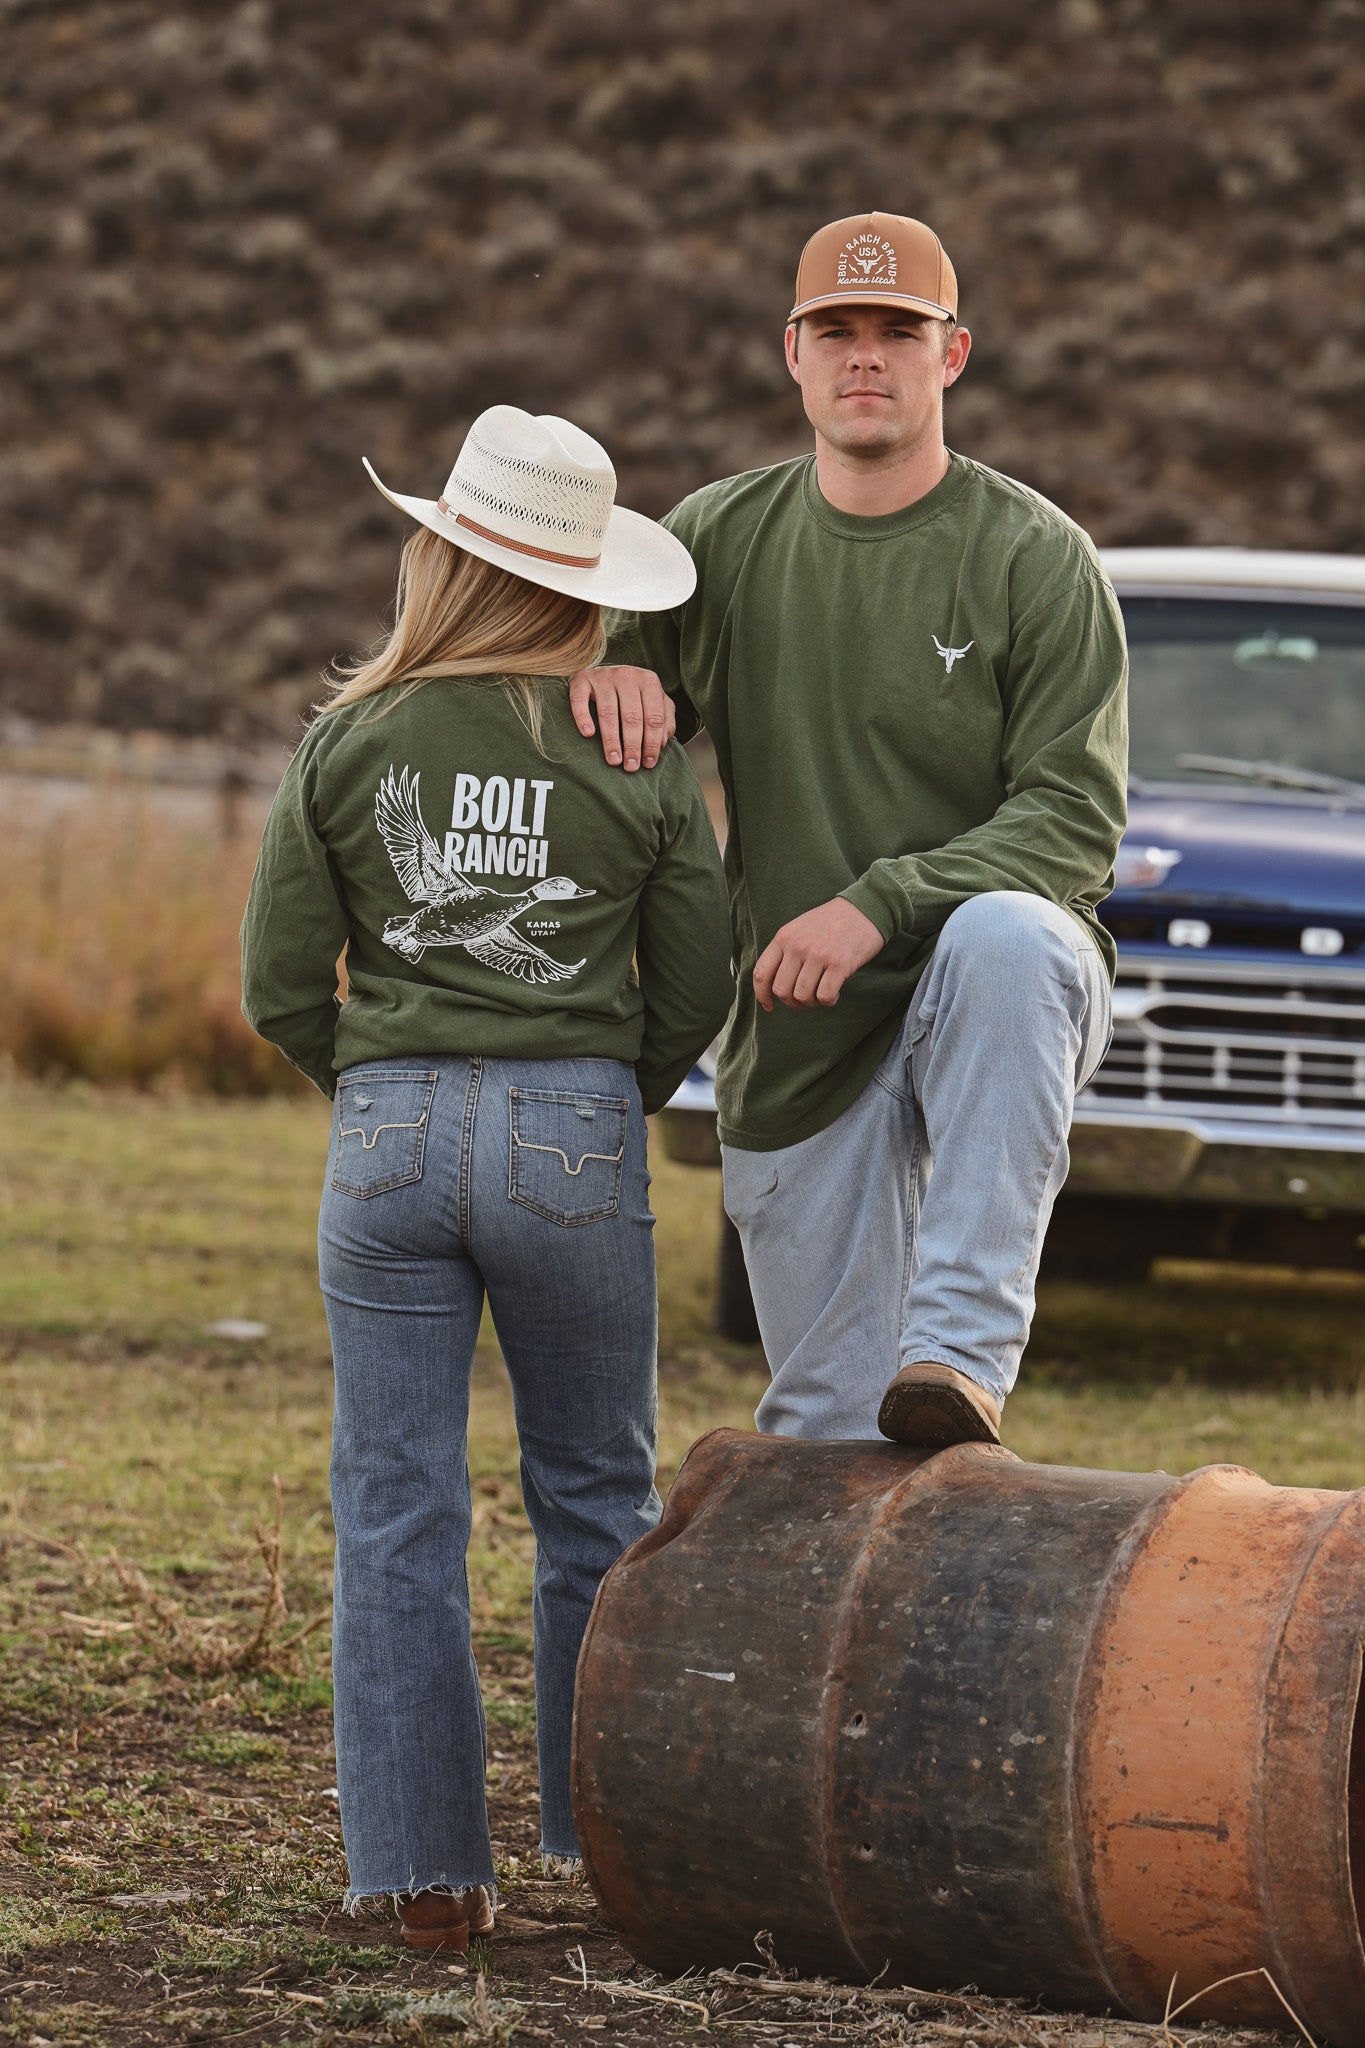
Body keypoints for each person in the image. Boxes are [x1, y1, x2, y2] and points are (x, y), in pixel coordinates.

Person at [240, 406, 733, 1951]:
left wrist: (381, 1082)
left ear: (442, 556)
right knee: (596, 1497)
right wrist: (597, 1091)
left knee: (394, 1510)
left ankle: (422, 1879)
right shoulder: (628, 746)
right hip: (574, 1133)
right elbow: (696, 979)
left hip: (383, 1137)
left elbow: (273, 980)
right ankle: (607, 1853)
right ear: (582, 580)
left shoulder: (348, 740)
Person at [570, 210, 1128, 1449]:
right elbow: (600, 690)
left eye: (898, 331)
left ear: (954, 354)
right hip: (802, 1024)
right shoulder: (715, 538)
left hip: (985, 1001)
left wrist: (878, 903)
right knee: (826, 1437)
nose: (865, 356)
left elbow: (1073, 818)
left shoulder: (1038, 557)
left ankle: (959, 1353)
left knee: (1010, 939)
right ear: (794, 354)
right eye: (838, 331)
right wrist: (611, 670)